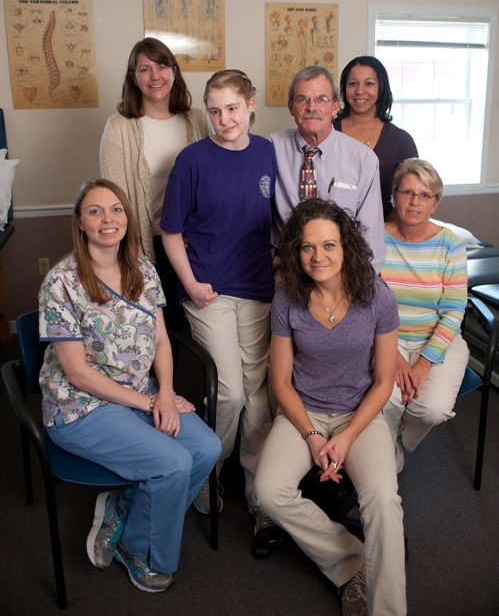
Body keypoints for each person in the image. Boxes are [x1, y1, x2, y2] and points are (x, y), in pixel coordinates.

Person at [39, 178, 220, 593]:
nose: (108, 219)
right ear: (80, 222)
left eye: (116, 209)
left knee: (206, 448)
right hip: (81, 405)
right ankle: (140, 551)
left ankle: (123, 511)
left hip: (142, 391)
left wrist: (166, 394)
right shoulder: (61, 282)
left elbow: (161, 340)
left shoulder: (142, 268)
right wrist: (150, 401)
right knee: (172, 463)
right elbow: (77, 373)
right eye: (95, 211)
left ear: (127, 217)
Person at [255, 198, 406, 616]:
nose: (317, 256)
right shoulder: (287, 299)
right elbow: (281, 383)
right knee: (269, 492)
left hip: (359, 414)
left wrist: (346, 437)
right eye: (307, 247)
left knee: (382, 499)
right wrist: (312, 435)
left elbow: (384, 381)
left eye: (328, 245)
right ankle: (351, 562)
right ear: (296, 251)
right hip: (304, 412)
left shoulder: (378, 297)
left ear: (346, 247)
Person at [161, 69, 276, 531]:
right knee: (229, 392)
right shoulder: (192, 161)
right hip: (209, 292)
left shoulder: (267, 152)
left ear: (250, 105)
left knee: (259, 397)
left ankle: (257, 485)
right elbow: (171, 233)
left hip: (259, 290)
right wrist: (190, 284)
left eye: (232, 108)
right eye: (214, 111)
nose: (224, 119)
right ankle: (207, 471)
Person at [99, 37, 210, 329]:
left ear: (174, 71)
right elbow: (114, 198)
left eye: (161, 66)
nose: (154, 76)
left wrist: (192, 229)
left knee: (201, 323)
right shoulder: (120, 127)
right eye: (144, 69)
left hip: (193, 240)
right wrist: (133, 250)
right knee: (159, 326)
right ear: (133, 78)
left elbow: (211, 183)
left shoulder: (198, 120)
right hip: (147, 244)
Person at [380, 158, 469, 472]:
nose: (414, 201)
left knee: (432, 409)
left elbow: (454, 311)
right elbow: (367, 304)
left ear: (435, 202)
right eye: (407, 192)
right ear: (394, 196)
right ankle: (387, 449)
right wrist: (393, 354)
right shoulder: (375, 238)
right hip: (386, 338)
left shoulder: (451, 245)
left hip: (439, 340)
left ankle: (400, 436)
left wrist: (424, 363)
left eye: (424, 195)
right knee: (385, 400)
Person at [270, 65, 385, 273]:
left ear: (335, 107)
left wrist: (357, 285)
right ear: (291, 107)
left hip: (340, 269)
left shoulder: (363, 159)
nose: (311, 107)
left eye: (321, 99)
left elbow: (371, 238)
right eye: (302, 99)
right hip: (286, 267)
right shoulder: (270, 149)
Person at [334, 56, 418, 220]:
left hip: (383, 227)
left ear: (381, 88)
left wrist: (385, 228)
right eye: (352, 83)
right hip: (329, 229)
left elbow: (412, 195)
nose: (359, 91)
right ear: (344, 88)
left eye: (369, 83)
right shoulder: (327, 131)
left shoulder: (401, 141)